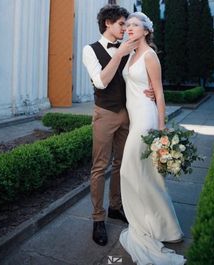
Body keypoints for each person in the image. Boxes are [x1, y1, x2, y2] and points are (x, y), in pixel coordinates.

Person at [82, 5, 154, 247]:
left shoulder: (131, 50)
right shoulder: (89, 50)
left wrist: (150, 91)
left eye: (128, 24)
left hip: (128, 114)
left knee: (122, 164)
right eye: (122, 24)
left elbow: (138, 76)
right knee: (100, 167)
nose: (126, 28)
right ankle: (97, 218)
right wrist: (119, 53)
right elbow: (101, 82)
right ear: (108, 24)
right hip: (104, 114)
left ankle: (115, 206)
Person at [119, 12, 186, 265]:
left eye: (135, 25)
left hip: (147, 120)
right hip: (135, 117)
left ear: (146, 31)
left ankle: (159, 226)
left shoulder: (149, 55)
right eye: (128, 26)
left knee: (130, 170)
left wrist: (162, 130)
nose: (129, 28)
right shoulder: (130, 54)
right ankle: (164, 228)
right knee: (144, 174)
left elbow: (158, 93)